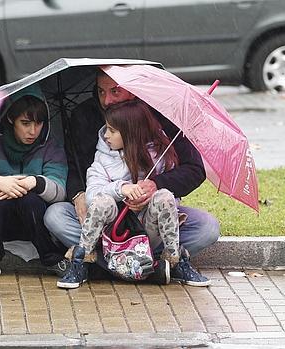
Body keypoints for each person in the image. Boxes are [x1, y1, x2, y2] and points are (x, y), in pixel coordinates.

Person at [44, 70, 220, 285]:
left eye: (115, 91)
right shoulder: (86, 118)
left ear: (135, 91)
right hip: (105, 217)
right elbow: (76, 166)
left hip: (151, 220)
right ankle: (139, 267)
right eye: (101, 91)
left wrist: (155, 186)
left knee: (207, 227)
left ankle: (155, 262)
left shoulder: (163, 119)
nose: (107, 100)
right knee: (55, 215)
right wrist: (79, 194)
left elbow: (194, 170)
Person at [0, 84, 69, 280]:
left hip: (36, 219)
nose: (33, 131)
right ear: (11, 119)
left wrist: (34, 182)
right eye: (26, 123)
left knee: (29, 198)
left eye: (39, 124)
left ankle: (51, 257)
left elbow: (60, 191)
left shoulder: (51, 145)